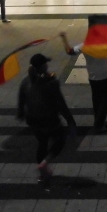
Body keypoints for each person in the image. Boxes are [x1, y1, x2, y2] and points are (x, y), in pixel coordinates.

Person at [17, 53, 77, 183]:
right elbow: (61, 104)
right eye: (45, 63)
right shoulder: (51, 83)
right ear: (43, 66)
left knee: (42, 143)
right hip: (50, 120)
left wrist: (21, 113)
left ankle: (43, 174)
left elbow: (21, 101)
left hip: (33, 121)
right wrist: (70, 121)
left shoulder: (25, 81)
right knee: (60, 141)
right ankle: (45, 162)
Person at [60, 32, 107, 134]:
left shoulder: (84, 46)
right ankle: (99, 125)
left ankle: (99, 121)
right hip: (104, 77)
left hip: (93, 78)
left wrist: (64, 38)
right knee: (105, 101)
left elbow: (69, 51)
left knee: (97, 100)